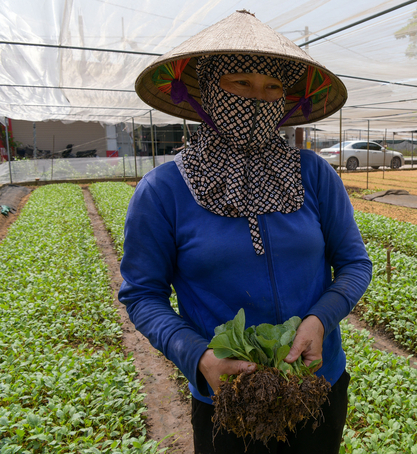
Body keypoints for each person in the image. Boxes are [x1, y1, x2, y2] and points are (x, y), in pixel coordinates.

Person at [119, 10, 372, 454]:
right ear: (210, 91)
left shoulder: (313, 174)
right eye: (240, 83)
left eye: (273, 86)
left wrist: (320, 320)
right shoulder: (164, 190)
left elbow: (354, 264)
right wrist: (200, 357)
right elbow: (142, 295)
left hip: (315, 386)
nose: (259, 98)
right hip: (229, 399)